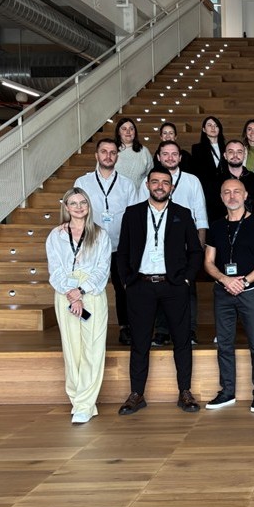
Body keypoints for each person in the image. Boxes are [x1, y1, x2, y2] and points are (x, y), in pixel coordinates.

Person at [116, 166, 205, 416]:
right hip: (141, 285)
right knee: (140, 342)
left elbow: (195, 251)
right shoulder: (132, 213)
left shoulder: (182, 213)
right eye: (155, 182)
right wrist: (127, 281)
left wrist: (186, 279)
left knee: (182, 340)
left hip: (173, 285)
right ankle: (136, 394)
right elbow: (122, 251)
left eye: (165, 182)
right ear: (147, 185)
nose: (160, 186)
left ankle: (185, 392)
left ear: (172, 187)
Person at [203, 178, 254, 413]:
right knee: (224, 344)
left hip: (250, 291)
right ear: (221, 197)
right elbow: (208, 262)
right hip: (223, 291)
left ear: (245, 195)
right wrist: (225, 279)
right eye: (226, 192)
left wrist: (244, 281)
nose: (232, 196)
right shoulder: (216, 226)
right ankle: (227, 392)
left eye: (237, 191)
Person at [46, 188, 111, 424]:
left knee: (92, 348)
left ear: (88, 205)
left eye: (83, 202)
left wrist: (81, 292)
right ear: (66, 207)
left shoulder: (100, 234)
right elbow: (55, 268)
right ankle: (77, 400)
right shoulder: (56, 235)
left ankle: (86, 403)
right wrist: (71, 294)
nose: (78, 207)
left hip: (92, 293)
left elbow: (102, 269)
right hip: (65, 293)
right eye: (73, 203)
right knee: (71, 348)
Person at [74, 137, 141, 346]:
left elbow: (133, 218)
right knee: (90, 287)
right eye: (104, 152)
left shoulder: (127, 184)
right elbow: (76, 213)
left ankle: (125, 327)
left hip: (120, 246)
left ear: (117, 157)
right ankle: (88, 328)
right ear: (96, 155)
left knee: (123, 288)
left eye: (112, 152)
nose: (108, 156)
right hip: (91, 245)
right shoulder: (82, 182)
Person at [152, 140, 208, 346]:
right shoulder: (149, 181)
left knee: (187, 287)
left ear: (180, 157)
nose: (170, 158)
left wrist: (199, 247)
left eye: (174, 154)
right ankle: (162, 331)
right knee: (159, 286)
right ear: (159, 157)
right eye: (165, 154)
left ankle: (189, 330)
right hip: (157, 243)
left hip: (185, 243)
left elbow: (200, 214)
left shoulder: (192, 180)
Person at [215, 139, 254, 224]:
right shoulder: (216, 181)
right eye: (231, 152)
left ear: (244, 155)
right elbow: (213, 211)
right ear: (225, 155)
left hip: (253, 227)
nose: (235, 155)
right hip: (225, 228)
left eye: (239, 152)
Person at [114, 118, 153, 189]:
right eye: (124, 129)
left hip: (138, 194)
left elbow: (151, 176)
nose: (128, 131)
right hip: (115, 194)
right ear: (118, 132)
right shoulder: (111, 150)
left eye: (131, 129)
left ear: (135, 132)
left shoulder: (144, 151)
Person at [190, 115, 227, 187]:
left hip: (224, 186)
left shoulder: (226, 148)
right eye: (209, 125)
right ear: (204, 129)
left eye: (216, 125)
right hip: (206, 186)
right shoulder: (197, 148)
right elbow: (196, 171)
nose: (213, 128)